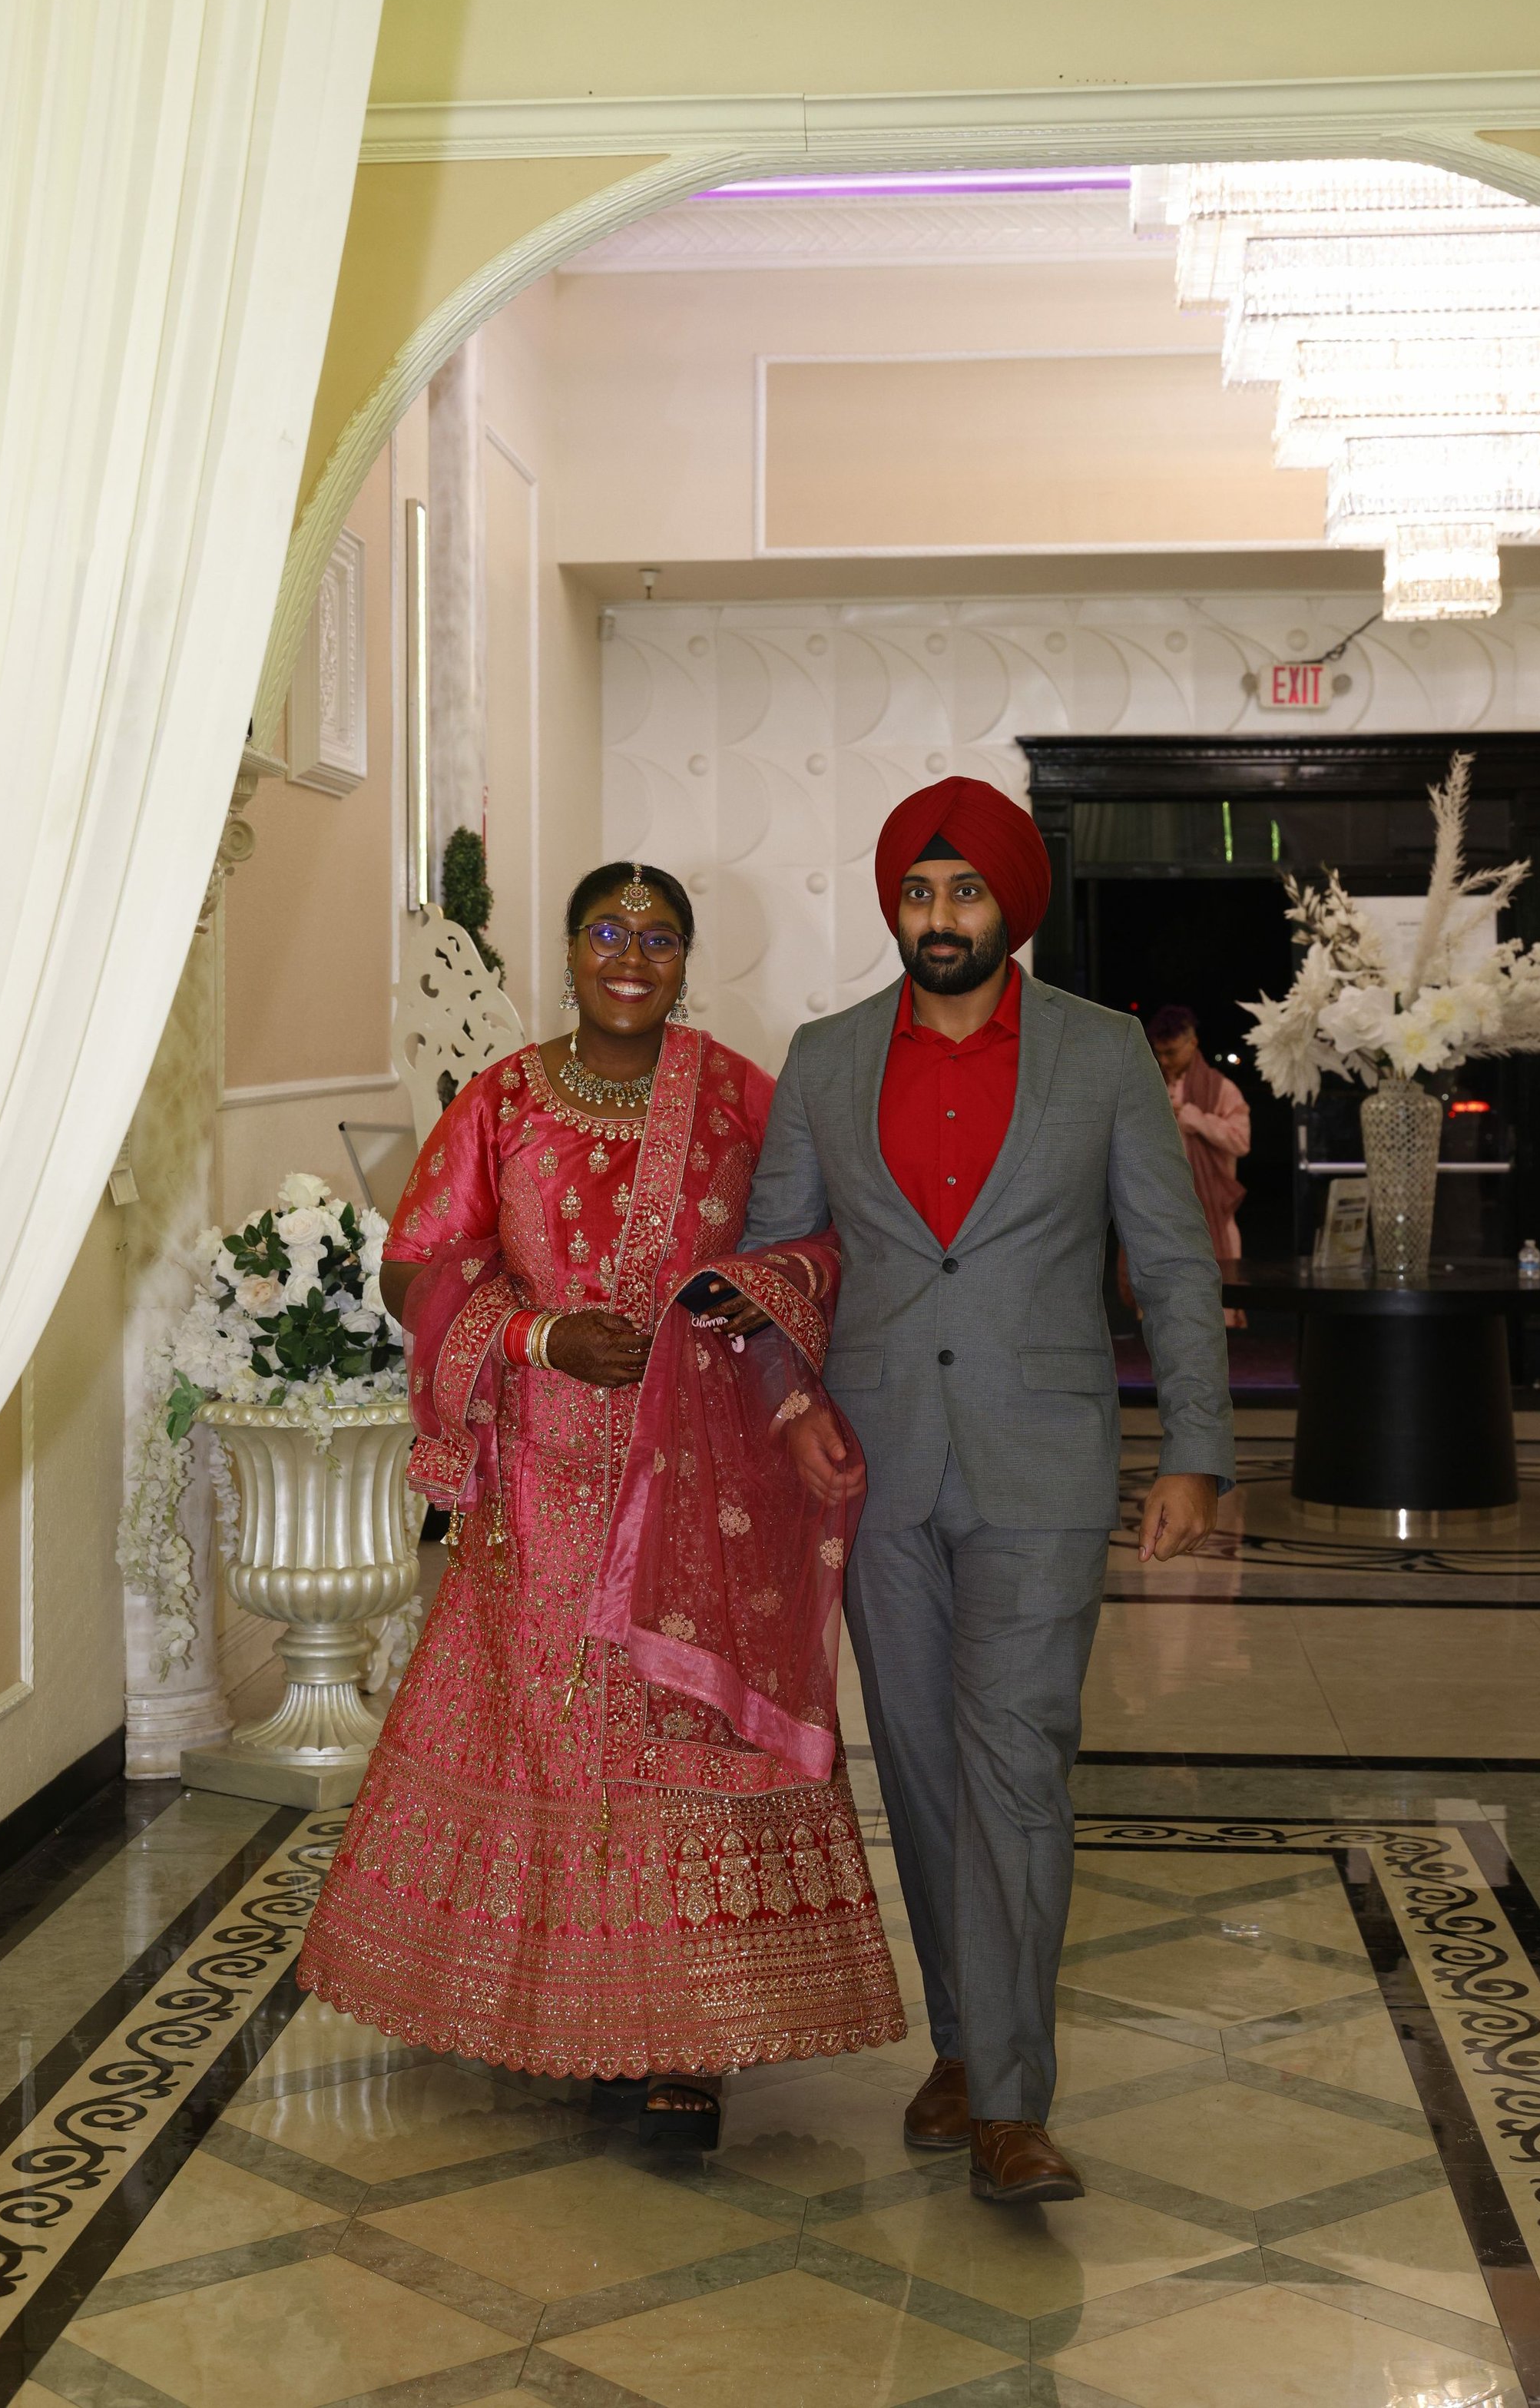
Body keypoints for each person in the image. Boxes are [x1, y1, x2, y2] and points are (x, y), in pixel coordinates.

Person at [297, 860, 904, 2148]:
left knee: (674, 1737)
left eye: (661, 936)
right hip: (538, 1484)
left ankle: (681, 2042)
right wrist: (536, 1337)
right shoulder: (503, 1101)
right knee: (549, 1740)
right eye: (606, 932)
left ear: (688, 961)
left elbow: (829, 1242)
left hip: (703, 1479)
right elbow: (423, 1267)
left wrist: (764, 1290)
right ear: (568, 951)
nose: (632, 954)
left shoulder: (743, 1098)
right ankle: (549, 2010)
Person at [740, 777, 1234, 2206]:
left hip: (1044, 1460)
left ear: (1012, 906)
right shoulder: (827, 1057)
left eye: (965, 893)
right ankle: (961, 2042)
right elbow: (777, 1258)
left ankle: (1014, 2096)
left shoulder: (1096, 1057)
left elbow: (1173, 1261)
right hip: (876, 1461)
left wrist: (1193, 1450)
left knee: (1019, 1759)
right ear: (894, 904)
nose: (940, 918)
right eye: (918, 892)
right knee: (923, 1765)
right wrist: (787, 1399)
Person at [1145, 1005, 1251, 1263]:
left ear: (1192, 1043)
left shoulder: (1222, 1090)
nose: (1165, 1062)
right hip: (1159, 1213)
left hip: (1210, 1210)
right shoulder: (1150, 1083)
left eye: (1171, 1053)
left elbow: (1241, 1141)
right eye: (1159, 1054)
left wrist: (1198, 1119)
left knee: (1218, 1293)